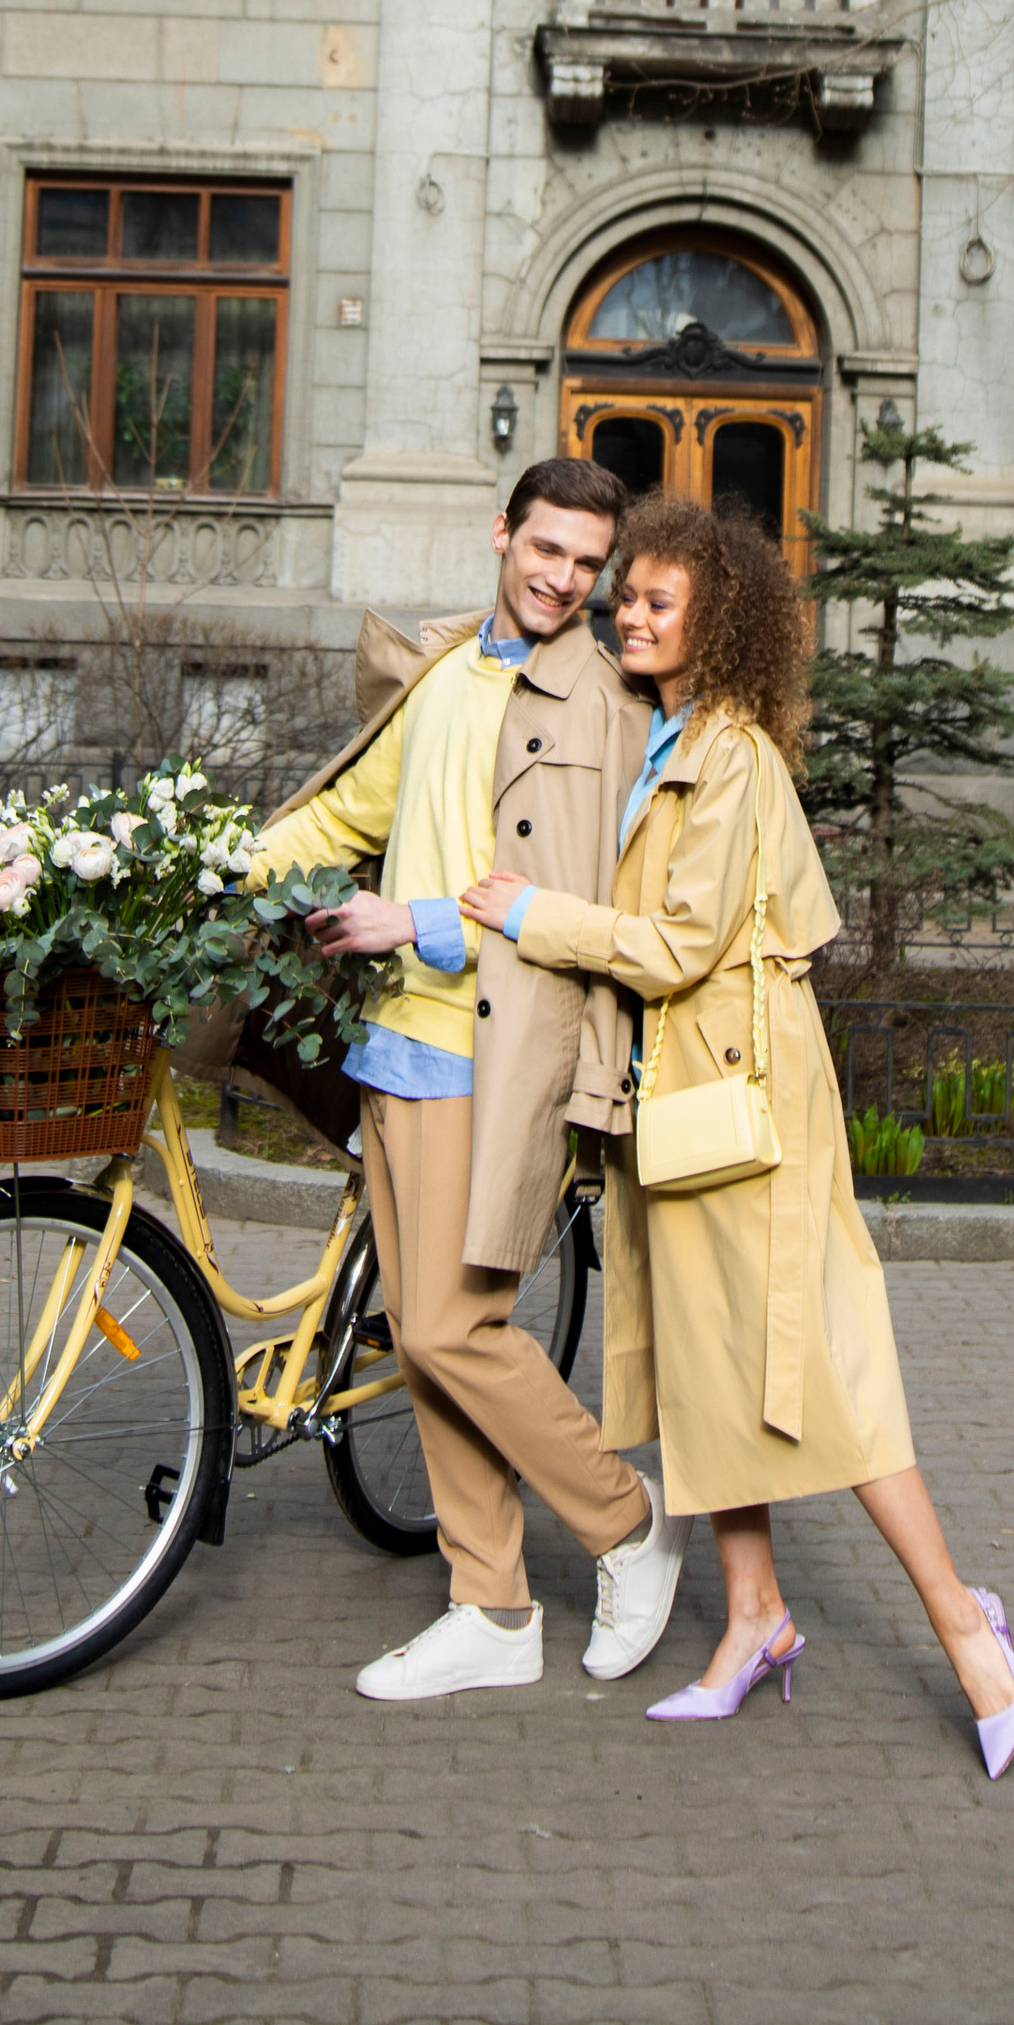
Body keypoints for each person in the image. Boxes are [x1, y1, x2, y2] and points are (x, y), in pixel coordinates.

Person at [460, 491, 1014, 1778]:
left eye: (659, 601)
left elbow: (677, 947)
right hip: (679, 1104)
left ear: (714, 625)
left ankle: (967, 1630)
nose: (630, 611)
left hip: (744, 1107)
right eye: (632, 595)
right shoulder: (668, 737)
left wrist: (526, 915)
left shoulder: (729, 755)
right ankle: (755, 1621)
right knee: (704, 1381)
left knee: (818, 1375)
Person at [248, 455, 690, 1702]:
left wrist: (419, 924)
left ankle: (626, 1518)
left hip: (492, 1054)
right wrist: (218, 865)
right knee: (429, 1339)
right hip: (396, 1047)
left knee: (450, 1327)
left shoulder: (600, 702)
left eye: (587, 563)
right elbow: (345, 819)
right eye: (545, 548)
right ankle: (490, 1604)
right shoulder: (445, 671)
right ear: (502, 534)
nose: (563, 578)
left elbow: (583, 907)